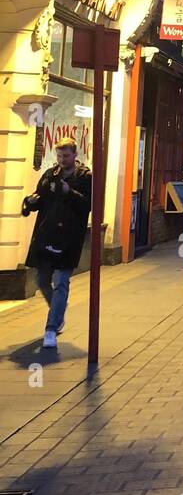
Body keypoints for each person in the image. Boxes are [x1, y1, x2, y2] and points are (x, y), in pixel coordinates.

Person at [22, 138, 93, 349]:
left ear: (74, 155)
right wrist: (30, 202)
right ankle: (59, 309)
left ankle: (51, 329)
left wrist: (68, 192)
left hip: (69, 238)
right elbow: (40, 197)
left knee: (61, 280)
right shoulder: (49, 175)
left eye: (66, 156)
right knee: (41, 279)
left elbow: (88, 205)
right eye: (59, 156)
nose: (62, 160)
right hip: (47, 235)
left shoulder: (85, 177)